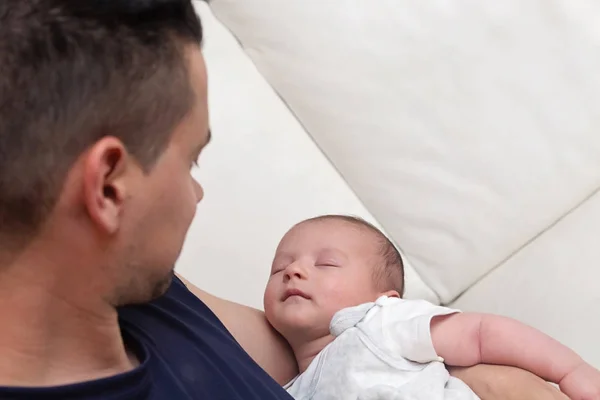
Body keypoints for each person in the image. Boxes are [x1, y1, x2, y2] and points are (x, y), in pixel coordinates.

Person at [0, 0, 573, 398]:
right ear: (107, 188)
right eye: (190, 160)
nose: (196, 194)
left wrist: (487, 379)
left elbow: (333, 349)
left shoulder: (136, 292)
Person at [264, 215, 600, 399]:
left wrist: (570, 370)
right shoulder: (286, 391)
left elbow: (483, 335)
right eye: (280, 267)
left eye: (326, 263)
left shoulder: (379, 323)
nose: (294, 271)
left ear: (385, 297)